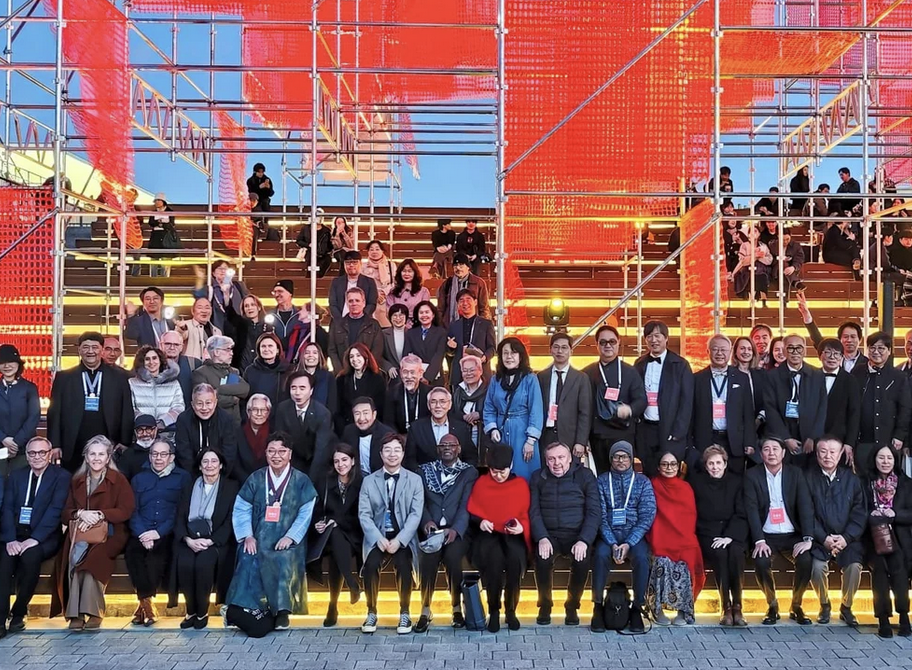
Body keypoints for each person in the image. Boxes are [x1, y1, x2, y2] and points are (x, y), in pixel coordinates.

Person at [226, 432, 318, 631]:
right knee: (248, 556)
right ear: (266, 453)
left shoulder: (301, 480)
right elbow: (241, 508)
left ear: (290, 454)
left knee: (283, 559)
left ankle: (282, 612)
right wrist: (247, 536)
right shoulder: (255, 478)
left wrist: (290, 537)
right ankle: (246, 609)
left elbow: (306, 513)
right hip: (258, 537)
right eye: (272, 451)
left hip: (287, 540)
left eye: (281, 451)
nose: (276, 456)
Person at [51, 435, 135, 630]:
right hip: (80, 533)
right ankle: (76, 614)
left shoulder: (119, 480)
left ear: (108, 457)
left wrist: (100, 514)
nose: (96, 458)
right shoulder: (77, 480)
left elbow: (126, 510)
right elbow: (65, 513)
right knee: (73, 559)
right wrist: (81, 513)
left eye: (101, 454)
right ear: (86, 457)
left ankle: (94, 612)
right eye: (92, 454)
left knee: (92, 562)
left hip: (110, 533)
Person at [0, 437, 70, 638]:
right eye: (32, 453)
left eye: (42, 452)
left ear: (49, 454)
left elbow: (55, 510)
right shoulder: (16, 475)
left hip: (44, 536)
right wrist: (10, 539)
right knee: (5, 561)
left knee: (30, 557)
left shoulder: (61, 476)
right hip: (15, 534)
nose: (37, 456)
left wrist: (35, 538)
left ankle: (19, 612)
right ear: (27, 455)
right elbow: (7, 508)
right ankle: (0, 618)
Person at [743, 437, 814, 626]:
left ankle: (796, 605)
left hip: (792, 535)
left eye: (775, 449)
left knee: (806, 560)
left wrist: (807, 538)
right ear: (761, 454)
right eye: (766, 449)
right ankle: (772, 605)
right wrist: (759, 540)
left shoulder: (795, 473)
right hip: (766, 535)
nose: (771, 453)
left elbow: (805, 505)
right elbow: (751, 509)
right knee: (761, 560)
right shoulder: (752, 475)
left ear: (783, 453)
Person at [358, 433, 424, 634]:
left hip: (403, 536)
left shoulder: (415, 480)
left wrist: (400, 539)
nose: (392, 454)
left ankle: (405, 612)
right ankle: (371, 611)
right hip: (377, 536)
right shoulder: (369, 481)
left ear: (403, 454)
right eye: (387, 450)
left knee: (404, 565)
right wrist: (377, 538)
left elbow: (415, 514)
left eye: (397, 450)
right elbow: (364, 514)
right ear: (380, 454)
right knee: (370, 566)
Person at [530, 442, 599, 626]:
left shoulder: (585, 476)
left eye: (561, 457)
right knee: (542, 559)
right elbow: (534, 512)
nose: (556, 463)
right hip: (549, 534)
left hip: (577, 534)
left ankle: (572, 606)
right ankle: (545, 605)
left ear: (570, 459)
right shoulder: (538, 477)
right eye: (551, 459)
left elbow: (594, 512)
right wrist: (541, 537)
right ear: (546, 461)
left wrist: (584, 540)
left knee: (582, 560)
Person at [414, 434, 478, 632]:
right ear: (438, 449)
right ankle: (425, 609)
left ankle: (456, 607)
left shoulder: (468, 472)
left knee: (453, 558)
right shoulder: (424, 471)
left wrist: (456, 529)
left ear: (459, 449)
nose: (447, 447)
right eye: (443, 445)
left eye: (452, 445)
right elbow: (420, 501)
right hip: (431, 529)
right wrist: (426, 521)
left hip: (456, 530)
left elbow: (466, 505)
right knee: (428, 558)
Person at [171, 449, 240, 630]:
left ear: (221, 465)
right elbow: (179, 516)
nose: (210, 465)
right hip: (190, 540)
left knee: (203, 564)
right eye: (205, 462)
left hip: (215, 542)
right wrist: (187, 539)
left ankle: (202, 612)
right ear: (200, 466)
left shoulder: (231, 487)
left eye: (214, 461)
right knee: (185, 563)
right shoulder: (189, 486)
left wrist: (211, 541)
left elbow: (231, 520)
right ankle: (190, 612)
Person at [590, 440, 655, 634]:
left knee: (642, 558)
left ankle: (637, 608)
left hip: (633, 534)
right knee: (600, 555)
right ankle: (597, 606)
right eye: (617, 456)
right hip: (608, 534)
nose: (621, 460)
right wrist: (612, 542)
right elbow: (599, 515)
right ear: (611, 459)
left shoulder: (642, 482)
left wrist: (628, 543)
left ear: (631, 459)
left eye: (625, 456)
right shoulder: (602, 481)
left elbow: (647, 515)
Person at [465, 441, 530, 632]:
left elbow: (526, 514)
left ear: (511, 466)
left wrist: (521, 527)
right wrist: (481, 521)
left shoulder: (520, 484)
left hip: (512, 534)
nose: (498, 476)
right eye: (494, 471)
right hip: (488, 534)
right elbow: (472, 512)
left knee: (514, 563)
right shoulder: (482, 483)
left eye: (503, 472)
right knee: (493, 564)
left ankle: (511, 610)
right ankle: (494, 610)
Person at [125, 439, 191, 626]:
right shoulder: (139, 478)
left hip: (167, 532)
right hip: (141, 532)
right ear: (150, 456)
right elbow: (133, 509)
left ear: (172, 457)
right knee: (133, 554)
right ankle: (147, 605)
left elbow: (181, 511)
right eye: (154, 454)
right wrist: (142, 533)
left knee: (156, 558)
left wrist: (158, 532)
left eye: (163, 454)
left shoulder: (183, 477)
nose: (158, 458)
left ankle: (143, 606)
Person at [47, 332, 134, 472]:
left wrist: (125, 441)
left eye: (95, 347)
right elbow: (54, 412)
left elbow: (127, 410)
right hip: (73, 442)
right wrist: (55, 444)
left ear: (102, 350)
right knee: (74, 481)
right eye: (86, 347)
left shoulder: (120, 377)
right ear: (79, 350)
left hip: (109, 440)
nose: (90, 351)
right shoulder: (64, 377)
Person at [805, 437, 866, 627]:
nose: (828, 456)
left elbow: (860, 513)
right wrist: (823, 538)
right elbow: (806, 513)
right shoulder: (807, 478)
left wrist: (846, 538)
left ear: (841, 454)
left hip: (847, 539)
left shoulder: (852, 480)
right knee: (816, 568)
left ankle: (846, 607)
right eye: (823, 451)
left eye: (832, 452)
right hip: (820, 539)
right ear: (816, 454)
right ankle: (824, 605)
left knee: (854, 567)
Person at [690, 446, 748, 627]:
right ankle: (726, 606)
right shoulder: (697, 483)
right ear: (705, 466)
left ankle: (737, 605)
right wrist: (718, 537)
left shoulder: (736, 482)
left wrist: (730, 536)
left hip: (733, 532)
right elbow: (695, 513)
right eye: (711, 463)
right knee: (720, 554)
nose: (715, 467)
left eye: (718, 463)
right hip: (708, 533)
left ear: (725, 464)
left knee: (736, 552)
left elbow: (742, 511)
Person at [647, 451, 704, 626]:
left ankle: (683, 610)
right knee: (661, 561)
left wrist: (684, 537)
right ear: (658, 467)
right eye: (664, 464)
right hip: (660, 535)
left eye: (673, 464)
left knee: (686, 560)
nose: (669, 468)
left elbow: (690, 515)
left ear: (679, 467)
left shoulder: (686, 487)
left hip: (683, 536)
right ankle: (657, 609)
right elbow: (650, 514)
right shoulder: (652, 485)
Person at [310, 442, 364, 627]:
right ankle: (351, 583)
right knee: (334, 536)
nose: (341, 465)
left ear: (353, 461)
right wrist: (319, 522)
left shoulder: (362, 482)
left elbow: (362, 515)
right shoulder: (325, 482)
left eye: (344, 460)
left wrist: (337, 521)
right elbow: (317, 509)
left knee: (336, 549)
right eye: (337, 461)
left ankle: (333, 606)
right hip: (330, 536)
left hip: (355, 533)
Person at [633, 320, 694, 477]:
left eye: (657, 336)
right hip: (646, 429)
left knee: (669, 473)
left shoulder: (680, 364)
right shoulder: (639, 364)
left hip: (670, 430)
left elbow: (686, 402)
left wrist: (678, 432)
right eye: (649, 336)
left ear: (666, 338)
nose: (653, 340)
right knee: (649, 472)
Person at [862, 445, 912, 638]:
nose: (885, 462)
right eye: (881, 457)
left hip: (899, 539)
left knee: (899, 570)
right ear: (874, 459)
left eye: (889, 458)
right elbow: (858, 510)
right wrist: (871, 514)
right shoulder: (865, 482)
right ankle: (883, 619)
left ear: (895, 460)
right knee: (880, 570)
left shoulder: (906, 483)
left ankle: (904, 616)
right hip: (873, 538)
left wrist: (895, 514)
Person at [583, 325, 647, 474]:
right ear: (596, 345)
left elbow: (641, 400)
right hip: (597, 436)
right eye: (603, 342)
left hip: (623, 434)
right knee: (601, 476)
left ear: (618, 342)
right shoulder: (587, 373)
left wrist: (630, 409)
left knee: (624, 476)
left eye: (612, 341)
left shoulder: (630, 371)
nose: (608, 345)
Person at [691, 335, 755, 473]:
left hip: (734, 440)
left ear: (730, 352)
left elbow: (748, 413)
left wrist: (749, 441)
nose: (719, 353)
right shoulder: (697, 379)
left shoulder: (741, 378)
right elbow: (691, 413)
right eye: (715, 349)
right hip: (706, 438)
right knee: (706, 476)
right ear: (708, 352)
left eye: (723, 350)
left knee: (735, 478)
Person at [483, 338, 543, 481]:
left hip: (523, 433)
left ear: (520, 356)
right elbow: (489, 408)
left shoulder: (530, 379)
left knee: (524, 473)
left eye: (513, 353)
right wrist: (492, 429)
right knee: (502, 472)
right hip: (501, 433)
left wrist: (531, 440)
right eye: (505, 353)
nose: (509, 357)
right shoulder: (495, 379)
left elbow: (536, 410)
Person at [854, 331, 911, 478]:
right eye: (872, 348)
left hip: (889, 440)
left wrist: (899, 436)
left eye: (881, 348)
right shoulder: (857, 372)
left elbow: (905, 409)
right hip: (862, 441)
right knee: (863, 479)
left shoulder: (898, 376)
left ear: (889, 351)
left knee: (888, 481)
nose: (876, 352)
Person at [763, 334, 826, 467]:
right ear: (784, 351)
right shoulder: (772, 376)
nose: (795, 352)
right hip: (784, 433)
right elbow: (770, 408)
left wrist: (813, 437)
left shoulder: (817, 374)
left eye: (799, 348)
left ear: (805, 350)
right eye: (790, 348)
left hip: (809, 436)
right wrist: (786, 438)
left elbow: (822, 408)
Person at [537, 333, 592, 464]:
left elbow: (585, 413)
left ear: (571, 351)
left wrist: (581, 441)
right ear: (550, 350)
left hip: (570, 438)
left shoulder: (581, 378)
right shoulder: (541, 377)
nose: (560, 351)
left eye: (564, 347)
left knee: (570, 472)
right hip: (546, 435)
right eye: (556, 347)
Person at [274, 370, 334, 475]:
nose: (297, 393)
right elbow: (281, 441)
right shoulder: (282, 409)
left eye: (302, 388)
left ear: (311, 391)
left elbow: (321, 451)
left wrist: (310, 479)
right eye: (293, 388)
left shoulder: (323, 414)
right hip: (292, 461)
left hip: (315, 462)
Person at [175, 384, 240, 478]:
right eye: (199, 403)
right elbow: (184, 453)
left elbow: (229, 453)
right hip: (191, 474)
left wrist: (217, 477)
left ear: (215, 402)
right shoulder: (183, 420)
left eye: (208, 403)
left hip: (220, 474)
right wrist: (197, 478)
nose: (204, 408)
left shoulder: (226, 420)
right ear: (192, 405)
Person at [405, 387, 477, 468]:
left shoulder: (461, 428)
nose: (438, 406)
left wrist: (465, 474)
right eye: (433, 402)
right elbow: (410, 459)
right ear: (428, 405)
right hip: (424, 474)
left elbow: (471, 456)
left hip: (456, 474)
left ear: (449, 405)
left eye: (442, 402)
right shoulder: (416, 428)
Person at [814, 338, 861, 462]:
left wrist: (849, 443)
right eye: (828, 352)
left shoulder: (850, 380)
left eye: (836, 354)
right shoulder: (811, 377)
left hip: (840, 440)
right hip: (813, 440)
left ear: (842, 357)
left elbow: (854, 414)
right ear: (820, 355)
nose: (832, 357)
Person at [797, 297, 868, 374]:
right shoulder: (831, 356)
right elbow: (816, 338)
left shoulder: (867, 363)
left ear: (860, 339)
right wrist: (806, 316)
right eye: (845, 336)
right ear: (840, 339)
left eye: (853, 337)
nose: (849, 340)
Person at [128, 345, 185, 439]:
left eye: (154, 358)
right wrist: (147, 423)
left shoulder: (174, 383)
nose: (151, 362)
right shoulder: (132, 383)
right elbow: (130, 409)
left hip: (168, 434)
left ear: (160, 360)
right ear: (142, 362)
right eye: (147, 359)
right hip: (142, 434)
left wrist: (163, 422)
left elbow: (179, 407)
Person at [0, 344, 40, 476]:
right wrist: (3, 438)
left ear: (18, 364)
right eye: (2, 362)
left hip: (23, 448)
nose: (7, 366)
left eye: (10, 362)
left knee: (20, 482)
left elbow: (34, 417)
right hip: (0, 446)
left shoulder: (30, 388)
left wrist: (16, 443)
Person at [192, 335, 250, 423]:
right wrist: (233, 399)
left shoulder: (232, 371)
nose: (231, 353)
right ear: (216, 352)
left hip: (234, 424)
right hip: (214, 424)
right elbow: (205, 401)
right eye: (228, 349)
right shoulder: (201, 373)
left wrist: (218, 390)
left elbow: (245, 389)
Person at [445, 289, 496, 386]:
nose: (465, 303)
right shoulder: (453, 325)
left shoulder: (486, 324)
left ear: (475, 302)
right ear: (458, 305)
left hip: (481, 372)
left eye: (468, 299)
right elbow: (449, 353)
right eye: (461, 300)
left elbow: (492, 348)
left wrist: (484, 357)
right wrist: (450, 347)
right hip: (459, 374)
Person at [327, 288, 384, 373]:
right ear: (347, 303)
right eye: (351, 301)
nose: (354, 303)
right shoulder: (337, 325)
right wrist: (340, 371)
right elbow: (332, 350)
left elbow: (377, 350)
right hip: (343, 373)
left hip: (366, 373)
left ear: (363, 303)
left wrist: (366, 370)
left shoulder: (373, 325)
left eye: (357, 300)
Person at [335, 343, 387, 434]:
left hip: (372, 428)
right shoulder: (341, 380)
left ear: (366, 357)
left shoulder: (377, 379)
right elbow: (338, 408)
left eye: (358, 355)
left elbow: (381, 407)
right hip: (347, 428)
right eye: (351, 357)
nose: (355, 359)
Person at [193, 260, 250, 335]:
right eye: (220, 268)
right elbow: (199, 296)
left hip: (237, 328)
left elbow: (248, 301)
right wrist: (200, 279)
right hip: (217, 328)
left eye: (225, 269)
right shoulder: (211, 289)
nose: (223, 271)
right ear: (213, 273)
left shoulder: (238, 286)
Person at [341, 398, 395, 475]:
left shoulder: (387, 434)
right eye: (357, 414)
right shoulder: (349, 431)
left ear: (374, 414)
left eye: (365, 413)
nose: (361, 418)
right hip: (356, 477)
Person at [437, 254, 490, 328]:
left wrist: (481, 326)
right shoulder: (447, 284)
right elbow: (440, 308)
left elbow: (484, 308)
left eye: (461, 265)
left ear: (468, 267)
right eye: (455, 266)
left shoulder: (479, 283)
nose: (458, 268)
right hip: (449, 326)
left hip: (473, 326)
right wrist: (440, 325)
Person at [452, 355, 489, 461]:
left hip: (484, 435)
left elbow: (496, 410)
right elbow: (451, 412)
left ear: (480, 371)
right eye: (465, 371)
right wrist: (463, 417)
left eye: (472, 370)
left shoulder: (489, 389)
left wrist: (479, 414)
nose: (468, 373)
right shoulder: (456, 390)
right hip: (462, 434)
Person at [403, 301, 448, 386]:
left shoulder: (441, 332)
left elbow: (438, 356)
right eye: (421, 313)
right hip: (415, 377)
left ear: (433, 315)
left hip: (434, 377)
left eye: (427, 312)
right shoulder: (410, 333)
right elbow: (407, 355)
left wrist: (427, 377)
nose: (424, 315)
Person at [383, 355, 430, 434]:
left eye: (412, 372)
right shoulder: (392, 393)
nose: (409, 376)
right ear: (400, 373)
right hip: (400, 437)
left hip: (424, 436)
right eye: (405, 372)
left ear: (420, 373)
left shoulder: (429, 393)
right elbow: (389, 423)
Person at [243, 333, 289, 410]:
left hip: (281, 414)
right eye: (263, 346)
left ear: (277, 350)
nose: (266, 349)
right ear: (259, 350)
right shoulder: (250, 371)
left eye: (270, 346)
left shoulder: (289, 370)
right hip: (257, 414)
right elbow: (244, 398)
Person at [329, 251, 379, 322]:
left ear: (360, 264)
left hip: (363, 322)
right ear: (344, 265)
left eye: (355, 262)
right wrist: (340, 321)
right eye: (348, 263)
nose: (351, 265)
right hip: (340, 322)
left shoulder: (369, 282)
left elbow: (372, 304)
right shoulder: (336, 282)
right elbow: (333, 304)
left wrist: (360, 318)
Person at [730, 224, 773, 304]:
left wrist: (760, 257)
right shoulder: (744, 245)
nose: (753, 233)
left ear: (759, 234)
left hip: (761, 269)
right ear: (748, 234)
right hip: (747, 268)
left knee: (762, 276)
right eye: (751, 232)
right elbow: (743, 261)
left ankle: (763, 301)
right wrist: (755, 256)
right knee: (749, 275)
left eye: (755, 231)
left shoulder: (763, 246)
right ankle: (751, 300)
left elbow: (769, 260)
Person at [160, 330, 202, 410]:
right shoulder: (153, 365)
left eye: (176, 344)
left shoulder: (194, 363)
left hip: (188, 413)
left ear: (182, 347)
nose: (172, 347)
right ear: (160, 345)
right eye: (168, 344)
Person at [362, 239, 397, 328]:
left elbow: (395, 283)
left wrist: (384, 293)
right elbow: (362, 284)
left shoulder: (391, 265)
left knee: (386, 328)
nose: (374, 252)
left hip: (386, 299)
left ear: (382, 251)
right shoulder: (363, 266)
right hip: (369, 301)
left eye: (377, 249)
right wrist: (375, 293)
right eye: (371, 249)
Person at [237, 394, 272, 478]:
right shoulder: (238, 432)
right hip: (243, 480)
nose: (259, 414)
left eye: (263, 410)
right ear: (248, 412)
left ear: (268, 413)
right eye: (255, 409)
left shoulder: (274, 432)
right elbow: (235, 464)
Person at [297, 341, 337, 413]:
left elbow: (332, 404)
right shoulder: (296, 377)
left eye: (315, 353)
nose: (310, 355)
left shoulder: (328, 377)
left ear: (319, 356)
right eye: (307, 353)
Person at [381, 304, 410, 378]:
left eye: (401, 315)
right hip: (391, 376)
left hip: (409, 374)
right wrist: (388, 367)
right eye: (395, 315)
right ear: (390, 317)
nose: (398, 318)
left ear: (406, 317)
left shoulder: (412, 333)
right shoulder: (383, 334)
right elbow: (378, 355)